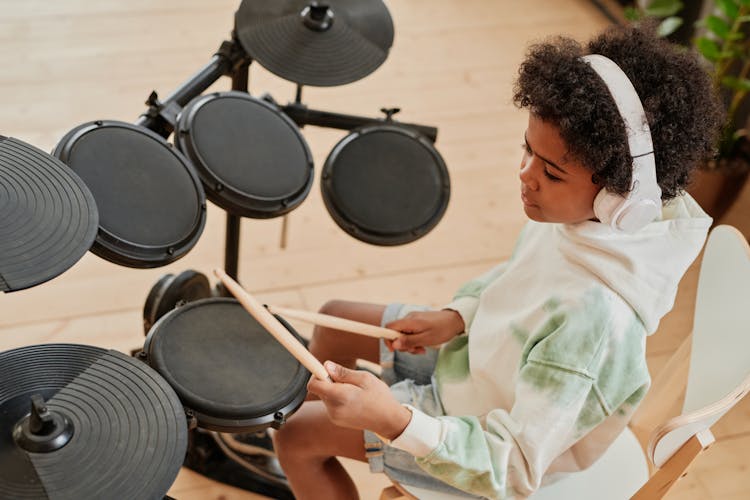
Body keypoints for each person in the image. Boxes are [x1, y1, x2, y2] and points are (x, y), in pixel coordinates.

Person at [271, 23, 723, 499]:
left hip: (478, 448)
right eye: (528, 149)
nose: (525, 175)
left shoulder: (593, 324)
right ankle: (319, 437)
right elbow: (516, 281)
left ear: (622, 199)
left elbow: (514, 468)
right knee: (333, 321)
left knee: (296, 436)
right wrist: (458, 315)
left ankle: (309, 451)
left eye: (550, 171)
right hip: (475, 370)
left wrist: (390, 418)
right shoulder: (581, 225)